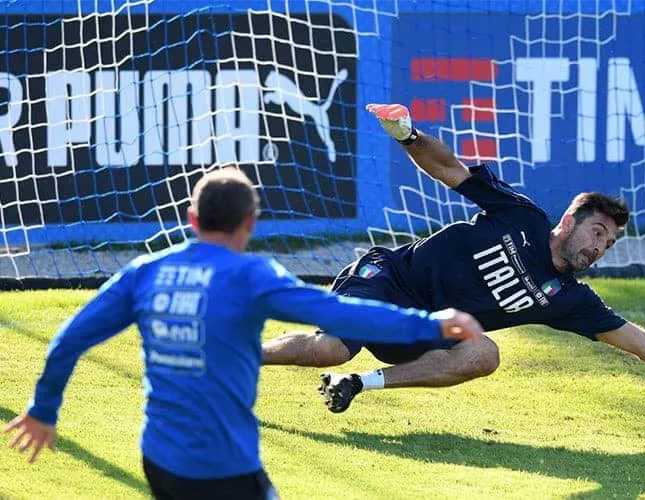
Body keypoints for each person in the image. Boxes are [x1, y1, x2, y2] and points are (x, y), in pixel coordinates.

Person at [261, 103, 645, 416]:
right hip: (389, 280)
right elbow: (449, 169)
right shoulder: (521, 216)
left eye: (608, 244)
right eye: (597, 232)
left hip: (426, 331)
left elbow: (641, 342)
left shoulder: (568, 299)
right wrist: (407, 133)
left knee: (483, 355)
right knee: (330, 349)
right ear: (567, 222)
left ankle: (359, 386)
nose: (600, 247)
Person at [3, 167, 485, 500]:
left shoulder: (145, 272)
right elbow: (343, 315)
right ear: (250, 224)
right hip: (222, 463)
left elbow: (69, 340)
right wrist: (431, 323)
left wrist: (43, 411)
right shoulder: (253, 277)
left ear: (191, 220)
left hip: (157, 455)